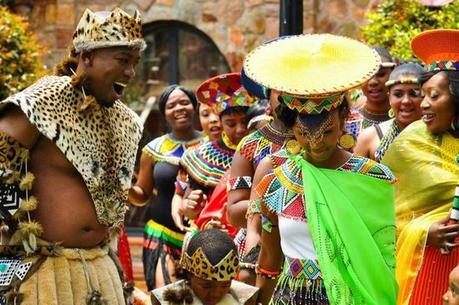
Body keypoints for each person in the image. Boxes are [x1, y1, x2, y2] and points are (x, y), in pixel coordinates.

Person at [0, 8, 145, 305]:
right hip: (45, 271)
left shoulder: (124, 120)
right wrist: (9, 232)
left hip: (101, 268)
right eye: (122, 60)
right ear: (87, 56)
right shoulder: (44, 100)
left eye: (134, 62)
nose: (130, 72)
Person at [243, 34, 398, 305]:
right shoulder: (278, 181)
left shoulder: (370, 178)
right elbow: (268, 261)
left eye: (326, 132)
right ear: (291, 129)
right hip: (289, 297)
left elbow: (383, 255)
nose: (316, 144)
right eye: (304, 133)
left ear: (342, 120)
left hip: (351, 296)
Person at [381, 29, 459, 305]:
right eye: (422, 95)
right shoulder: (410, 141)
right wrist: (425, 232)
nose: (423, 104)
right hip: (426, 269)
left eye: (433, 96)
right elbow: (385, 216)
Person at [128, 85, 204, 290]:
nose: (179, 108)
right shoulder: (152, 150)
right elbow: (142, 194)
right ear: (164, 113)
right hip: (161, 235)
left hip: (203, 237)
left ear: (194, 107)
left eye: (184, 102)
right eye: (172, 105)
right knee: (168, 296)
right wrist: (123, 187)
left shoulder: (211, 146)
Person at [226, 67, 295, 285]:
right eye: (281, 90)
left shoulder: (323, 141)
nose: (289, 97)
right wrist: (284, 207)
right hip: (259, 246)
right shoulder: (251, 145)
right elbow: (235, 211)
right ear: (268, 96)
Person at [179, 72, 255, 235]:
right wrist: (191, 207)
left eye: (245, 122)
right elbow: (187, 208)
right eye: (231, 124)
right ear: (221, 122)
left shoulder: (264, 153)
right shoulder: (202, 155)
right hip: (211, 240)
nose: (240, 129)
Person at [151, 229, 259, 305]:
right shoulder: (168, 300)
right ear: (189, 274)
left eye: (225, 285)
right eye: (206, 286)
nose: (216, 293)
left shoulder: (243, 299)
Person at [354, 63, 425, 161]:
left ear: (426, 96)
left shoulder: (442, 135)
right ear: (389, 97)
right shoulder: (369, 137)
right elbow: (353, 176)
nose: (406, 101)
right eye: (398, 94)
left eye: (414, 94)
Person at [345, 47, 396, 141]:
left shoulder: (407, 117)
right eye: (367, 75)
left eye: (381, 74)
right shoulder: (348, 122)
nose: (373, 82)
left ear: (393, 73)